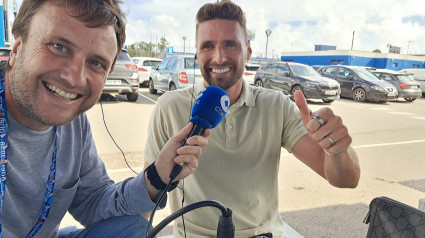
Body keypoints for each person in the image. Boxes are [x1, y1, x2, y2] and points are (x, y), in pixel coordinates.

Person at [143, 0, 360, 237]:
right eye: (207, 46)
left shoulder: (276, 105)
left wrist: (336, 147)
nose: (219, 57)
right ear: (196, 53)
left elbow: (345, 179)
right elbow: (146, 196)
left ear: (248, 50)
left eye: (230, 44)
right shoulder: (169, 106)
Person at [1, 0, 210, 237]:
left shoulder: (73, 124)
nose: (75, 78)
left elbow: (93, 200)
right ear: (17, 48)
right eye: (58, 47)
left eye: (96, 63)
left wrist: (158, 176)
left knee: (133, 228)